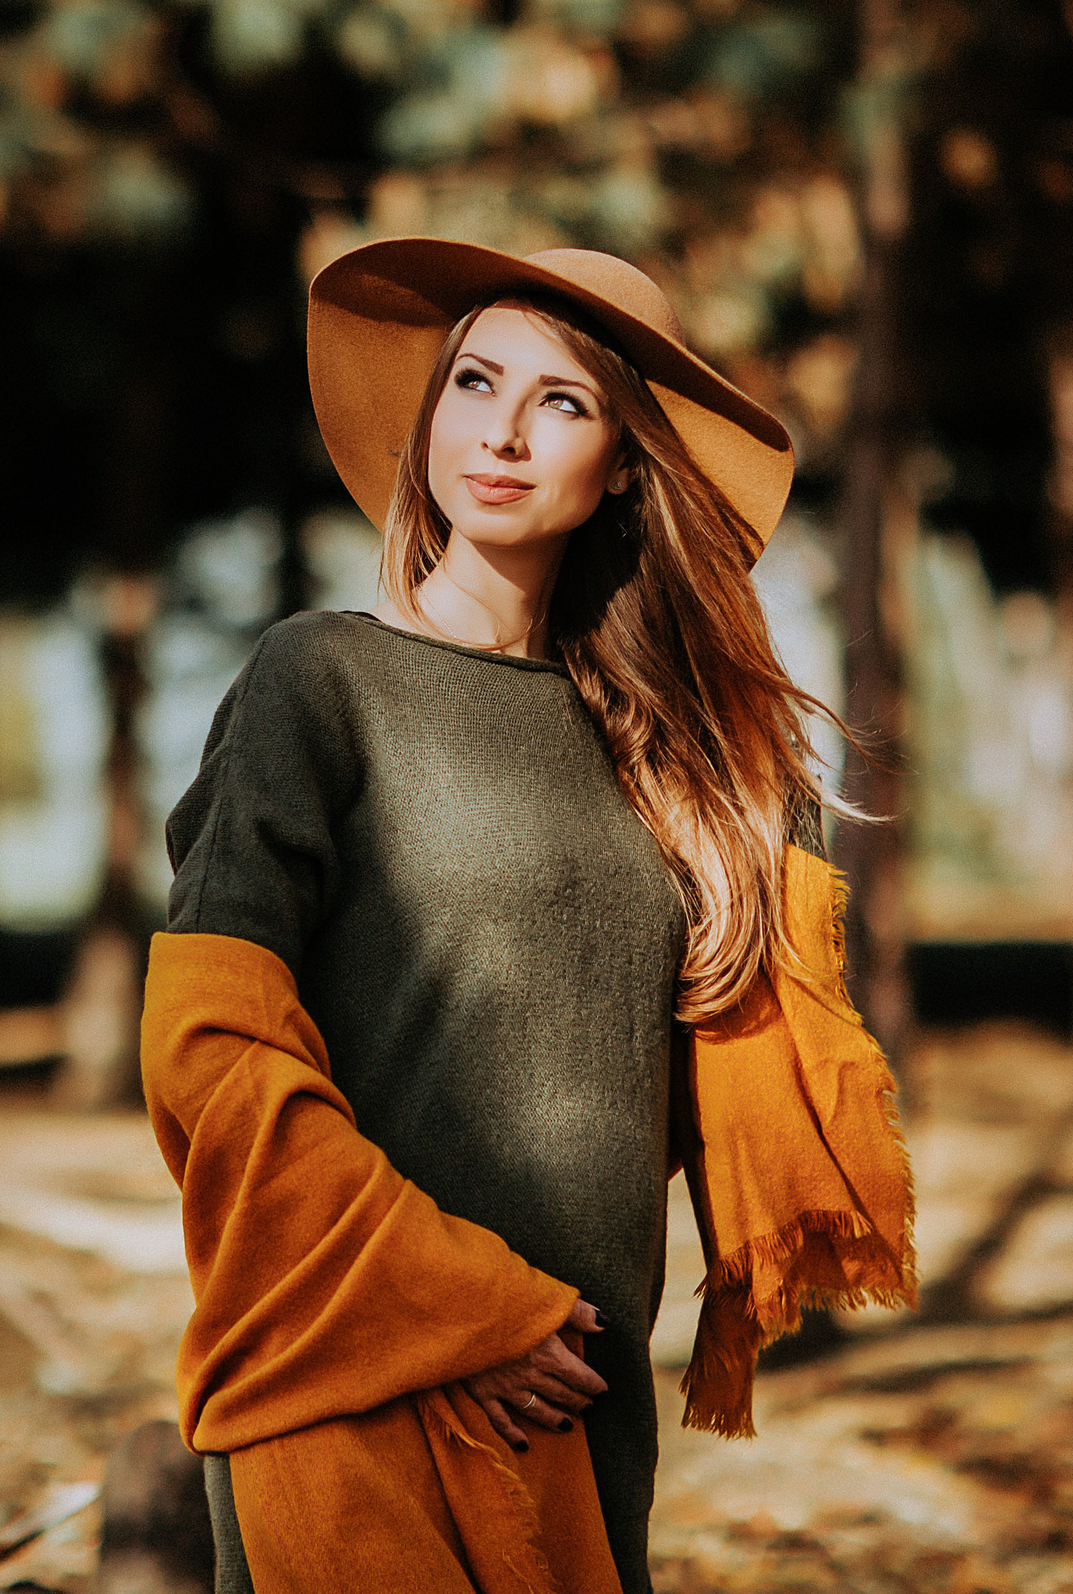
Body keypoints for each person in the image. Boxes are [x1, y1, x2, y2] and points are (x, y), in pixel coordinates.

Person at [140, 238, 915, 1594]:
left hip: (575, 1387)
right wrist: (467, 1307)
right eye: (473, 383)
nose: (500, 429)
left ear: (623, 463)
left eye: (561, 401)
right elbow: (210, 1055)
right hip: (353, 1364)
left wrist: (726, 772)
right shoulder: (317, 683)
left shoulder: (677, 761)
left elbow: (675, 1081)